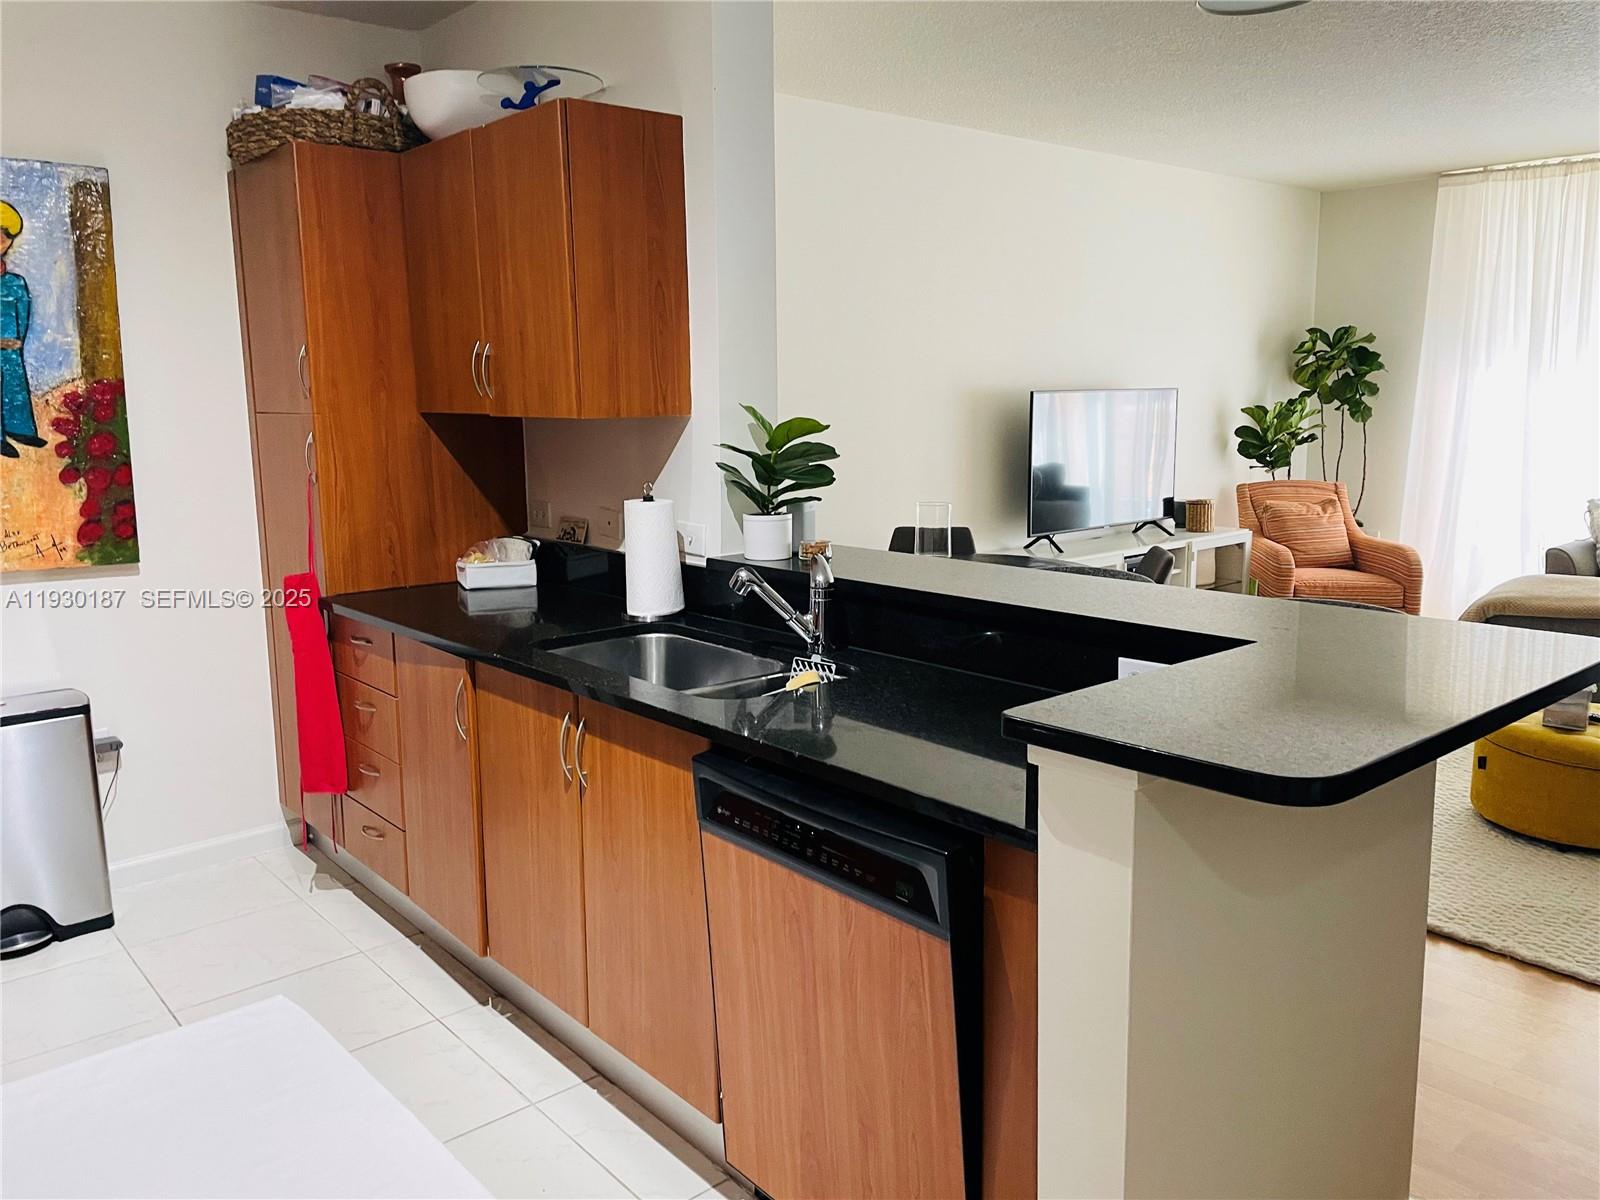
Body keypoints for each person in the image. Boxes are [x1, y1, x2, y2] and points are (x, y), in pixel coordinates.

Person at [1, 200, 44, 458]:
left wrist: (17, 340)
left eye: (5, 235)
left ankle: (20, 429)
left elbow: (23, 313)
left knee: (15, 386)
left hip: (11, 347)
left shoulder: (16, 282)